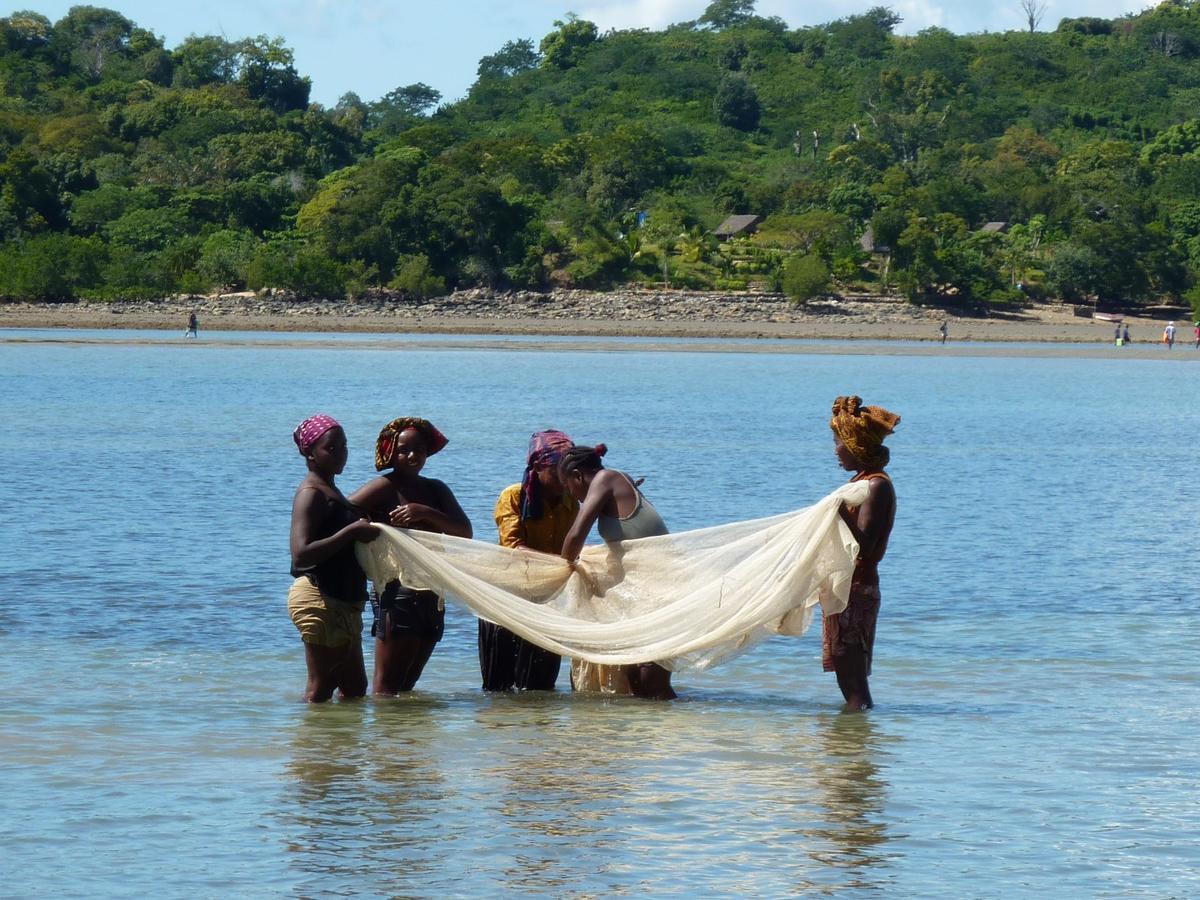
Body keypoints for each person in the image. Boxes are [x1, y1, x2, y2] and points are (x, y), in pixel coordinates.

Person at [349, 417, 472, 694]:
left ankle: (407, 737)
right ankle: (385, 734)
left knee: (408, 684)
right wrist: (367, 527)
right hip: (396, 590)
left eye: (419, 449)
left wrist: (425, 512)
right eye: (404, 450)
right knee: (386, 686)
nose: (413, 456)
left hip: (432, 592)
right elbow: (343, 510)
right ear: (391, 452)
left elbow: (465, 532)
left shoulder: (435, 489)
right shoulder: (385, 487)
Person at [559, 444, 676, 700]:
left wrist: (559, 569)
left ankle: (678, 733)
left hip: (659, 589)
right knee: (637, 681)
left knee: (650, 681)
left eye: (568, 485)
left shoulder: (605, 479)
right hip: (647, 591)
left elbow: (577, 532)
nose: (571, 494)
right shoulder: (618, 481)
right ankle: (651, 736)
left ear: (578, 475)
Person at [288, 414, 378, 702]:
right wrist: (350, 532)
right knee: (320, 689)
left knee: (354, 688)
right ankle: (311, 747)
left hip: (344, 602)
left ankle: (342, 748)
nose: (341, 454)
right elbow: (300, 554)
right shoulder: (311, 493)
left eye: (344, 446)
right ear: (310, 453)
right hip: (319, 597)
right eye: (331, 448)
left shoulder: (332, 490)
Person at [481, 430, 579, 691]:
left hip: (547, 602)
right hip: (504, 600)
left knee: (540, 687)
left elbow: (569, 549)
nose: (564, 479)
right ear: (537, 467)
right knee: (498, 689)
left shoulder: (571, 503)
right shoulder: (514, 497)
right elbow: (512, 548)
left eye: (568, 473)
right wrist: (564, 563)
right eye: (558, 471)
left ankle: (539, 731)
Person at [826, 396, 899, 711]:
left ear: (855, 444)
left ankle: (858, 746)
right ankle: (853, 748)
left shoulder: (876, 487)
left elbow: (866, 548)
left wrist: (839, 513)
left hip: (857, 590)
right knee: (844, 671)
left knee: (851, 673)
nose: (835, 449)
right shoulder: (860, 483)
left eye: (839, 442)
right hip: (844, 588)